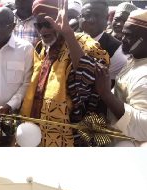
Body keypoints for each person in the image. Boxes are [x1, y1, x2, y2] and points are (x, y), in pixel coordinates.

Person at [20, 0, 109, 147]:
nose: (43, 30)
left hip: (70, 132)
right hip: (36, 129)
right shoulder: (40, 47)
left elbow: (88, 78)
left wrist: (67, 33)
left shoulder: (84, 43)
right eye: (39, 25)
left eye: (48, 24)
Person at [95, 9, 147, 143]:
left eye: (129, 36)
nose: (122, 40)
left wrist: (106, 93)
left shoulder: (144, 75)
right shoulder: (135, 59)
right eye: (123, 34)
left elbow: (143, 127)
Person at [79, 0, 127, 89]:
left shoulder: (116, 50)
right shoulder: (70, 39)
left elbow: (110, 88)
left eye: (97, 16)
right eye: (87, 16)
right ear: (80, 17)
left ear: (107, 18)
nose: (92, 20)